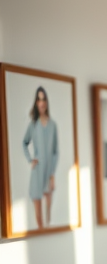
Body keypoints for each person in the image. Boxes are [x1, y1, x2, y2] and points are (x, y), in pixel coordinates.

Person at [22, 86, 59, 229]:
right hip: (37, 171)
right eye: (39, 99)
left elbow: (55, 151)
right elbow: (24, 142)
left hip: (48, 171)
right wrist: (30, 159)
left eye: (44, 99)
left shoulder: (53, 125)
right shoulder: (33, 124)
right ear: (36, 102)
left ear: (47, 102)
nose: (42, 103)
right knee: (38, 213)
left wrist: (52, 174)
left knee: (48, 210)